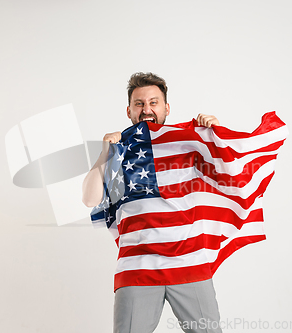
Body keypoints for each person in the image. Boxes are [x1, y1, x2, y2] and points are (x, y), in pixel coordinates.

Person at [82, 72, 223, 333]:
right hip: (138, 268)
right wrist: (105, 153)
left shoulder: (189, 142)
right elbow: (90, 198)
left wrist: (216, 133)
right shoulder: (119, 149)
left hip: (189, 262)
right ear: (129, 110)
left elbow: (227, 176)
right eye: (139, 104)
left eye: (153, 102)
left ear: (166, 107)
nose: (147, 109)